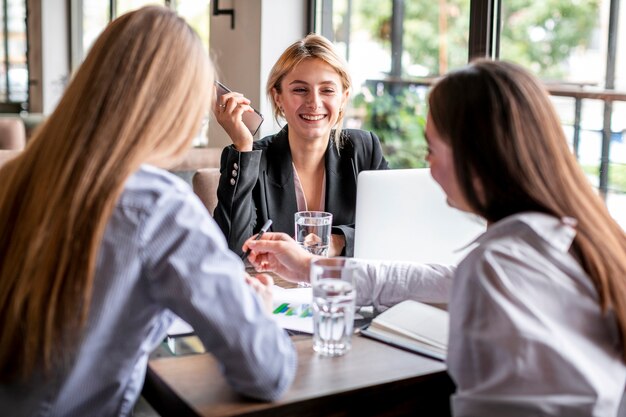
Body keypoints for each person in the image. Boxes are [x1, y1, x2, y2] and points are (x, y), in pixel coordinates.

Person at [243, 59, 626, 416]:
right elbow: (434, 279)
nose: (427, 164)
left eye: (431, 148)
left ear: (473, 156)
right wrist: (313, 267)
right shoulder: (570, 235)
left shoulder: (498, 267)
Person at [0, 7, 295, 416]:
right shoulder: (155, 206)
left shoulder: (12, 177)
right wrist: (259, 311)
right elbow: (268, 372)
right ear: (177, 107)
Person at [213, 34, 388, 258]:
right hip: (277, 290)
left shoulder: (364, 150)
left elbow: (392, 230)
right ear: (278, 97)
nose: (314, 103)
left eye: (327, 90)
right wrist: (243, 145)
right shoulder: (252, 159)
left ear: (343, 98)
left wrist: (338, 240)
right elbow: (229, 252)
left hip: (344, 289)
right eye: (300, 90)